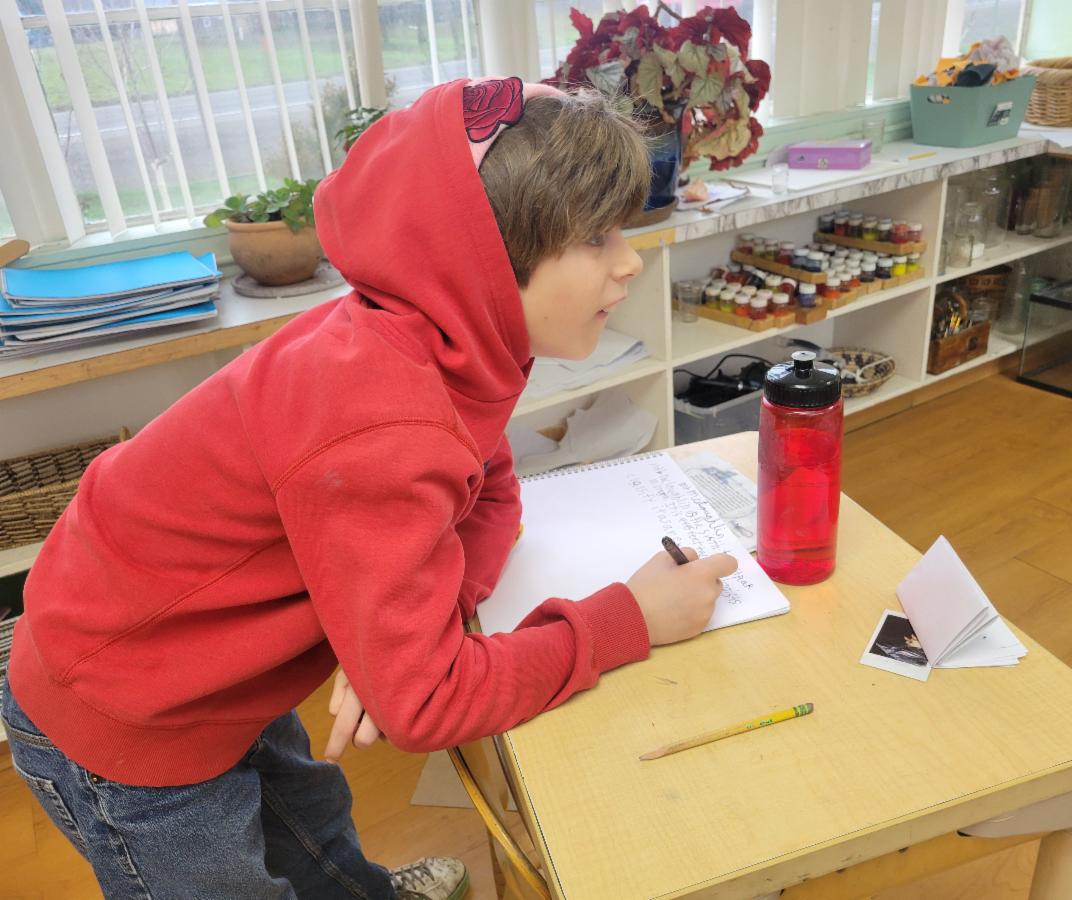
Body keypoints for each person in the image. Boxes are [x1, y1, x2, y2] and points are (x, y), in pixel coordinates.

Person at [1, 76, 737, 900]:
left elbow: (492, 490)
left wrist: (406, 633)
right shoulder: (384, 420)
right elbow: (428, 705)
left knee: (313, 830)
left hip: (210, 660)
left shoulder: (445, 343)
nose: (630, 261)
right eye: (597, 238)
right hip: (123, 702)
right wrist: (625, 621)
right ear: (486, 259)